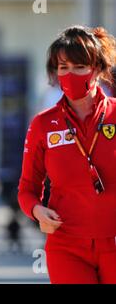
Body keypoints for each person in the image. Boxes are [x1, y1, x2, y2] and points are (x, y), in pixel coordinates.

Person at [18, 25, 116, 284]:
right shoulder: (43, 124)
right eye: (63, 68)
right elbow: (26, 189)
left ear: (97, 68)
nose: (70, 74)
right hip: (66, 246)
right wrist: (37, 211)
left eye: (79, 66)